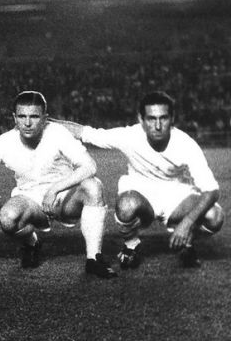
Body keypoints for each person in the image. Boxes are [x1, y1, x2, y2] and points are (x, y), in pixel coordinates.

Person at [52, 91, 224, 269]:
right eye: (151, 119)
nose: (157, 125)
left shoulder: (185, 143)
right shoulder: (130, 136)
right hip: (141, 194)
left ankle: (186, 243)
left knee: (215, 216)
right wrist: (46, 122)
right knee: (126, 205)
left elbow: (212, 190)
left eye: (163, 118)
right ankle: (131, 245)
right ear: (141, 119)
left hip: (176, 195)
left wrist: (187, 223)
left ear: (172, 119)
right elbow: (84, 132)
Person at [0, 91, 117, 278]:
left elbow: (89, 166)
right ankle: (31, 244)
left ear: (44, 118)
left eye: (34, 116)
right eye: (22, 116)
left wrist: (54, 189)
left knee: (93, 186)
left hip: (64, 198)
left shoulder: (58, 133)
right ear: (14, 117)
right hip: (31, 202)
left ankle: (94, 259)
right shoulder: (4, 142)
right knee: (7, 218)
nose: (27, 123)